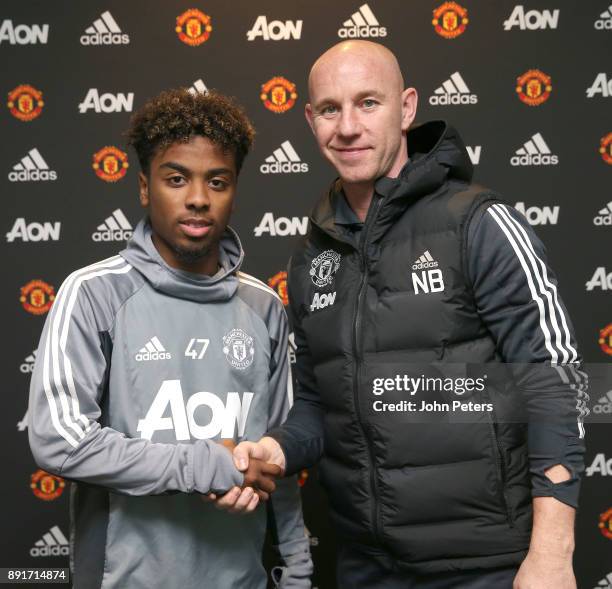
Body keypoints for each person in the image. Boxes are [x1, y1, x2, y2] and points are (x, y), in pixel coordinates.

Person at [218, 41, 588, 589]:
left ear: (407, 108)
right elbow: (319, 402)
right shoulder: (312, 256)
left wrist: (553, 554)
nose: (347, 127)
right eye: (329, 109)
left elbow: (554, 382)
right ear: (310, 119)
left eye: (368, 103)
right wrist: (273, 448)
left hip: (488, 567)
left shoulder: (479, 224)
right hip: (368, 565)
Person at [28, 88, 312, 589]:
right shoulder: (94, 293)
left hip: (240, 579)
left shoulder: (264, 306)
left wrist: (296, 571)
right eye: (176, 178)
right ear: (144, 187)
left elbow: (277, 459)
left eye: (217, 181)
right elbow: (59, 440)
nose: (198, 198)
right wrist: (206, 464)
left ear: (234, 189)